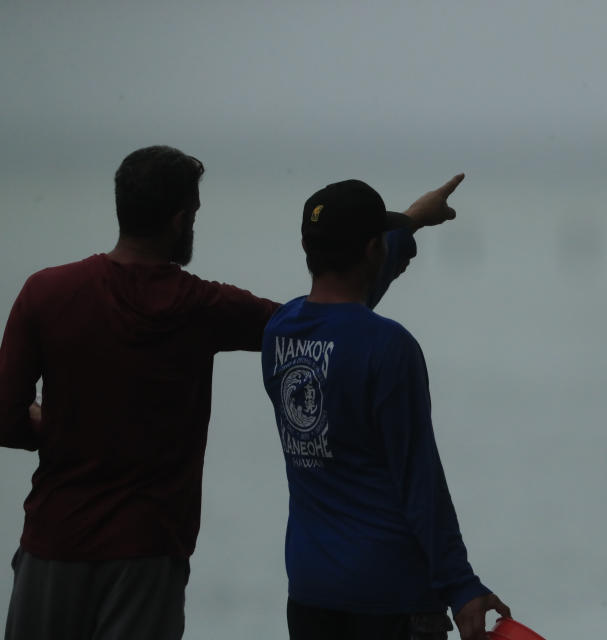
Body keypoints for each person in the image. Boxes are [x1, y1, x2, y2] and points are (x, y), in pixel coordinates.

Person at [0, 145, 464, 640]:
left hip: (53, 543)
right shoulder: (199, 306)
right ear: (181, 220)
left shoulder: (45, 293)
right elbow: (323, 325)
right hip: (147, 553)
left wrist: (58, 427)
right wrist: (406, 224)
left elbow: (5, 421)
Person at [261, 179, 511, 640]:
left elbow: (344, 313)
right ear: (373, 248)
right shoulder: (390, 347)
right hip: (391, 597)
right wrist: (461, 584)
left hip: (311, 592)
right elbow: (419, 479)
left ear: (306, 247)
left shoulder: (281, 332)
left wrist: (413, 218)